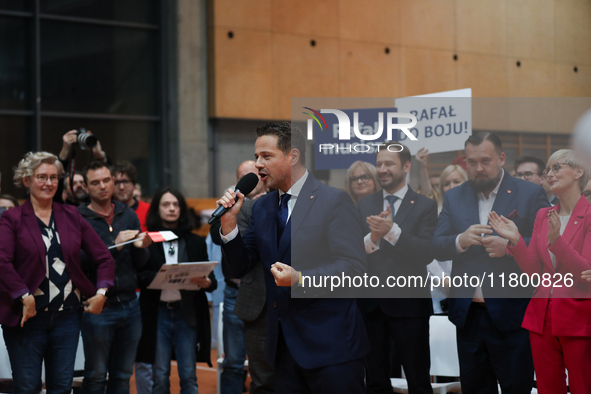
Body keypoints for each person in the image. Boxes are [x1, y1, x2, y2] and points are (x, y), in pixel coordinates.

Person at [216, 122, 369, 393]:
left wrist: (301, 279)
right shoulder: (261, 207)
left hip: (332, 347)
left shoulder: (333, 201)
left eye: (266, 156)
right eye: (256, 157)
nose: (258, 164)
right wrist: (228, 225)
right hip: (283, 349)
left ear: (293, 156)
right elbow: (241, 264)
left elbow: (353, 269)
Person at [431, 132, 550, 393]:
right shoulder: (455, 197)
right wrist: (460, 240)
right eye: (471, 162)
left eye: (485, 160)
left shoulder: (530, 193)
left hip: (513, 313)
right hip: (468, 316)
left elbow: (546, 246)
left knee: (516, 388)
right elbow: (436, 245)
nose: (478, 168)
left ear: (502, 158)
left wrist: (511, 246)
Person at [0, 152, 114, 394]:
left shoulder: (71, 215)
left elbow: (103, 257)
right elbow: (2, 262)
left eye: (53, 177)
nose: (49, 183)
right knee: (28, 387)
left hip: (68, 318)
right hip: (26, 318)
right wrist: (23, 294)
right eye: (41, 177)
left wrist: (102, 291)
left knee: (62, 388)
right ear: (26, 180)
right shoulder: (11, 219)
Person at [489, 149, 591, 394]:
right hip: (541, 314)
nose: (550, 174)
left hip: (577, 314)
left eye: (557, 167)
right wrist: (516, 242)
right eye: (548, 170)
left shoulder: (588, 214)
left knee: (582, 386)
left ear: (579, 172)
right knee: (547, 388)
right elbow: (535, 271)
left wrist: (557, 242)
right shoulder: (544, 215)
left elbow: (586, 271)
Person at [357, 142, 437, 394]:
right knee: (376, 381)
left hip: (410, 306)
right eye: (379, 164)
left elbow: (426, 253)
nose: (382, 169)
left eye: (389, 164)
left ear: (406, 166)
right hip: (371, 306)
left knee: (418, 380)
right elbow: (354, 252)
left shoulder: (424, 205)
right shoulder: (365, 204)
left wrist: (391, 232)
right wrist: (373, 238)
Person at [78, 161, 151, 394]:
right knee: (96, 375)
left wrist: (142, 247)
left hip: (130, 305)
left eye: (106, 180)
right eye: (95, 182)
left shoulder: (127, 213)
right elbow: (79, 263)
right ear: (86, 187)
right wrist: (114, 245)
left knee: (122, 376)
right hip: (98, 307)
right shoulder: (79, 217)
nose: (103, 186)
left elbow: (140, 264)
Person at [136, 188, 216, 394]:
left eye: (176, 204)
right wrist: (161, 277)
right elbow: (139, 276)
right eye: (165, 204)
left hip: (186, 313)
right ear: (157, 209)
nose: (171, 209)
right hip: (157, 313)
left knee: (189, 375)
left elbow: (212, 280)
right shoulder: (147, 240)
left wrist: (206, 283)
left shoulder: (196, 241)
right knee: (160, 375)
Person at [216, 160, 265, 394]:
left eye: (251, 175)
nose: (246, 181)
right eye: (242, 177)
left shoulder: (270, 204)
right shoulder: (235, 205)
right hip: (236, 290)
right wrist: (227, 215)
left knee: (268, 367)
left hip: (266, 290)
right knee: (234, 361)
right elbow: (223, 239)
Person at [427, 164, 469, 314]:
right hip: (440, 289)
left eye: (456, 181)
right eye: (446, 183)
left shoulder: (476, 213)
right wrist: (443, 280)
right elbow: (428, 253)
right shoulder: (433, 216)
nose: (451, 186)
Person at [111, 161, 150, 232]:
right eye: (116, 183)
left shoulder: (149, 210)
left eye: (125, 182)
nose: (121, 187)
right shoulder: (106, 212)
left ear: (134, 185)